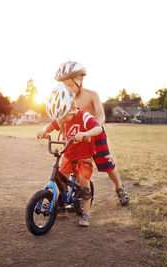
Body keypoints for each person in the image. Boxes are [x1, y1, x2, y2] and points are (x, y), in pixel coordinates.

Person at [54, 61, 130, 206]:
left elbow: (101, 116)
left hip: (95, 134)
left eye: (69, 84)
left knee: (107, 164)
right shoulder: (66, 99)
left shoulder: (92, 95)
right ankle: (71, 198)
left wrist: (90, 130)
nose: (67, 88)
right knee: (74, 165)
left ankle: (119, 188)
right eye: (64, 85)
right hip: (77, 137)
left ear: (80, 80)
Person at [37, 83, 103, 227]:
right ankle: (61, 203)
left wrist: (86, 133)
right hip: (68, 153)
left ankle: (86, 213)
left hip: (84, 154)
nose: (61, 121)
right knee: (62, 177)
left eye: (63, 117)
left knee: (84, 182)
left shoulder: (84, 116)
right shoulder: (62, 116)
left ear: (72, 108)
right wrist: (44, 130)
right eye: (58, 118)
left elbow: (98, 128)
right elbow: (52, 124)